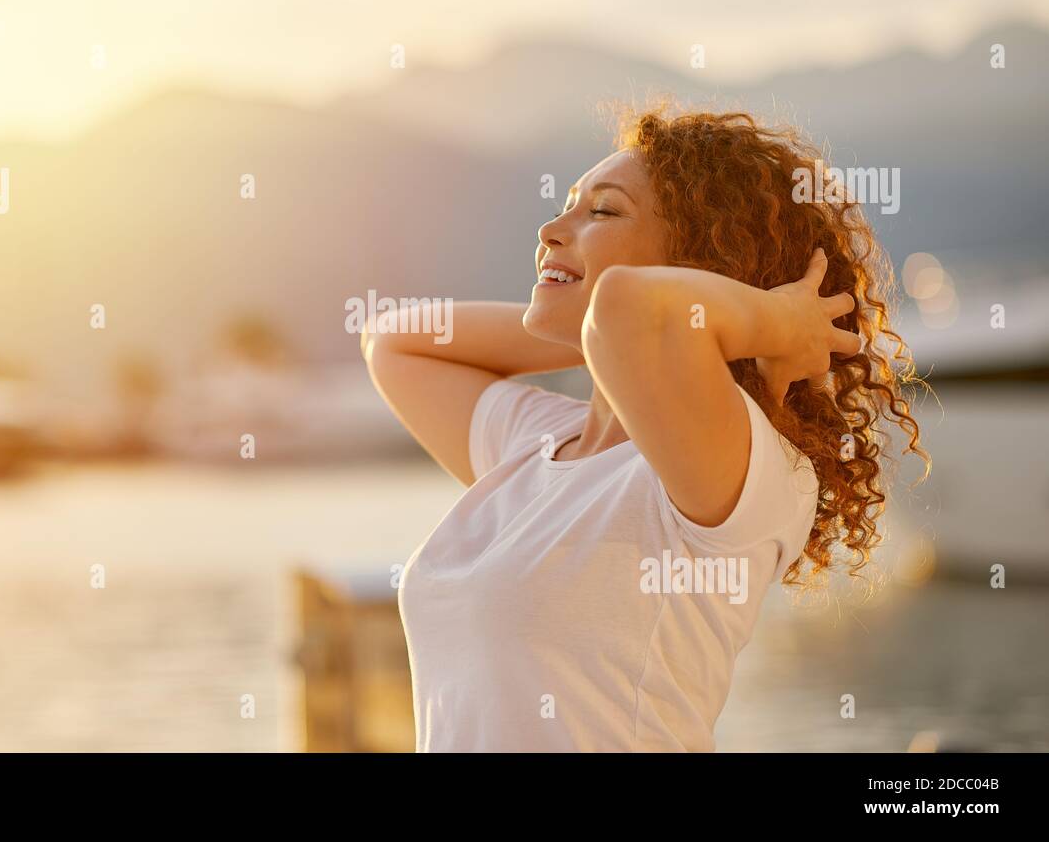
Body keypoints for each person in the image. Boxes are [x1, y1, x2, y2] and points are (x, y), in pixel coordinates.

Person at [360, 108, 928, 751]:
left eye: (601, 211)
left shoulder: (741, 462)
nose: (549, 230)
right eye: (567, 206)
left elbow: (627, 312)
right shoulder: (535, 446)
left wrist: (768, 318)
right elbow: (396, 342)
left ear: (699, 264)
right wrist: (590, 333)